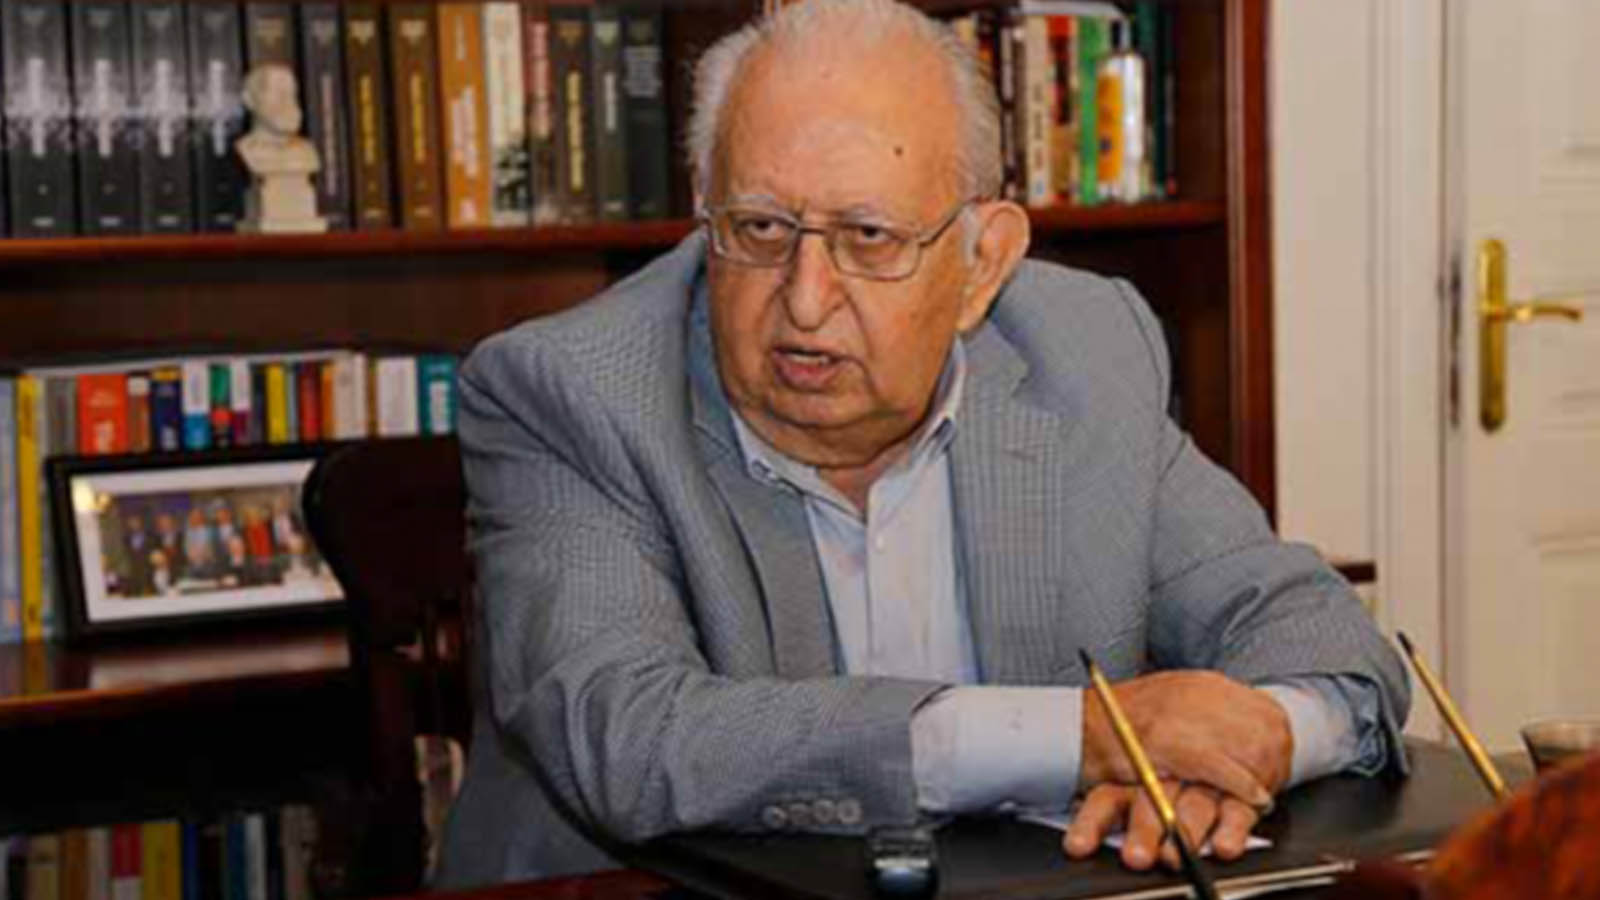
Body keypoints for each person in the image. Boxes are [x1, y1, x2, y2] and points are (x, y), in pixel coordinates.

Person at [436, 0, 1410, 887]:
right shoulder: (570, 394)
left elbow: (1315, 634)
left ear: (983, 263)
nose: (804, 299)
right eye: (761, 227)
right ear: (705, 213)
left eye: (868, 237)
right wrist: (1086, 739)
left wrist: (1248, 746)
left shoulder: (1084, 352)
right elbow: (634, 739)